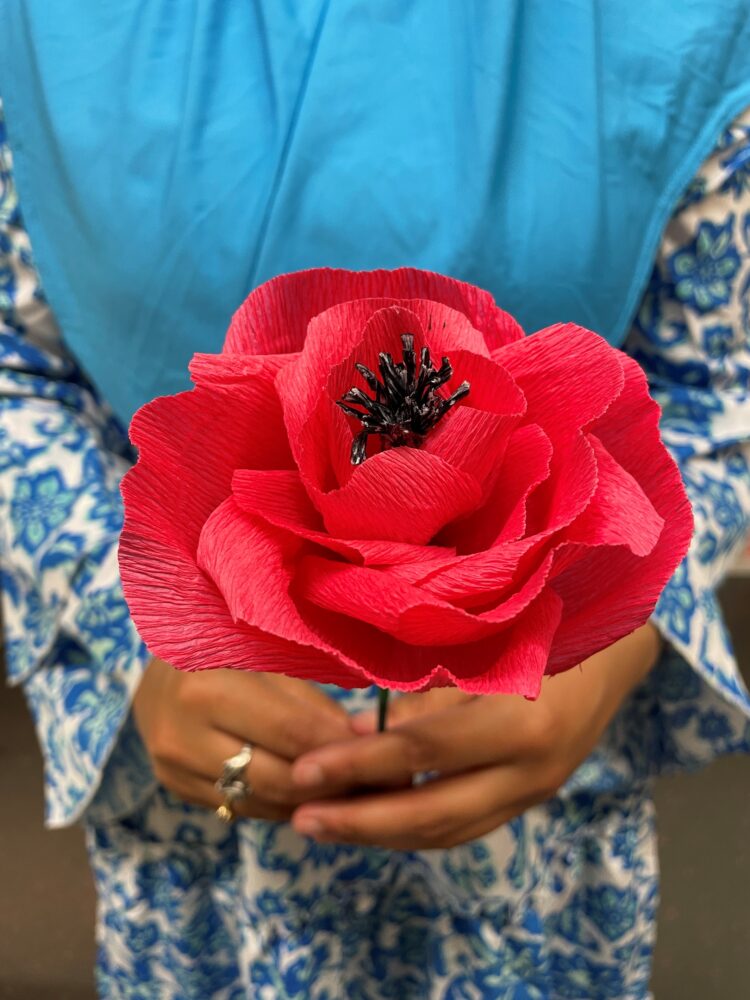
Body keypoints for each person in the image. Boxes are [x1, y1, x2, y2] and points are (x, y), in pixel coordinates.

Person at [1, 5, 750, 997]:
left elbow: (715, 383)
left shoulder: (678, 24)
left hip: (534, 748)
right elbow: (16, 371)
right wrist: (126, 622)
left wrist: (610, 635)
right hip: (207, 789)